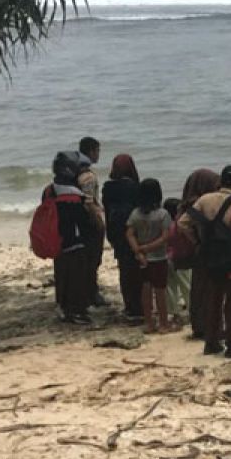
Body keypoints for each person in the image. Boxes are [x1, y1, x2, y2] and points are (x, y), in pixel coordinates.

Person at [179, 165, 231, 358]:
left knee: (213, 299)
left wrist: (197, 242)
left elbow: (183, 223)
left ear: (220, 181)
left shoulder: (204, 199)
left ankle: (211, 342)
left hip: (209, 256)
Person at [47, 151, 96, 325]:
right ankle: (76, 311)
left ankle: (63, 306)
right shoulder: (74, 194)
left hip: (56, 239)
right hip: (74, 240)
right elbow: (84, 221)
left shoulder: (50, 189)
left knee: (62, 275)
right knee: (77, 277)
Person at [126, 178, 175, 334]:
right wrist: (148, 248)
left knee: (145, 290)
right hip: (158, 257)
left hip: (142, 259)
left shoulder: (135, 213)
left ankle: (149, 323)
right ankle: (163, 323)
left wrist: (138, 251)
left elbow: (129, 234)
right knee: (160, 291)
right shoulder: (162, 214)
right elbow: (165, 237)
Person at [179, 169, 221, 339]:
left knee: (198, 289)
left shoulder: (187, 203)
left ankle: (199, 325)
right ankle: (211, 327)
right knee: (211, 289)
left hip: (197, 250)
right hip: (207, 249)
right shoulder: (202, 203)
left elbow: (183, 225)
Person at [101, 154, 143, 323]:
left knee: (125, 270)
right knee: (138, 269)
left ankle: (130, 306)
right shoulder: (135, 187)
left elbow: (106, 210)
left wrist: (109, 234)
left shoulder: (107, 188)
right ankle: (139, 306)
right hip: (134, 232)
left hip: (117, 232)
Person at [76, 136, 106, 306]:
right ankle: (92, 293)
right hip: (89, 222)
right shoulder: (88, 175)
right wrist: (98, 222)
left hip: (80, 223)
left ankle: (87, 292)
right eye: (97, 151)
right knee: (93, 258)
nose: (99, 154)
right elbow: (88, 201)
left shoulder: (77, 170)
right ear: (91, 151)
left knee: (87, 259)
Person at [162, 197, 191, 325]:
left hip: (166, 258)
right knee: (187, 286)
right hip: (181, 258)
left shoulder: (165, 226)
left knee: (170, 287)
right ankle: (192, 310)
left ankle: (173, 312)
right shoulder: (180, 226)